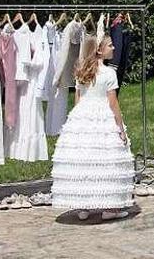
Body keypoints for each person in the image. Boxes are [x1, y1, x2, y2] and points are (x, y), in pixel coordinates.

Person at [50, 35, 135, 221]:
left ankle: (83, 206)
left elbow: (78, 99)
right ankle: (110, 208)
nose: (114, 48)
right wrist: (119, 127)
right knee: (106, 160)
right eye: (110, 45)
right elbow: (113, 103)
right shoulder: (109, 73)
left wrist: (77, 121)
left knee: (85, 158)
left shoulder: (81, 70)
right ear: (99, 50)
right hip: (102, 114)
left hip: (82, 114)